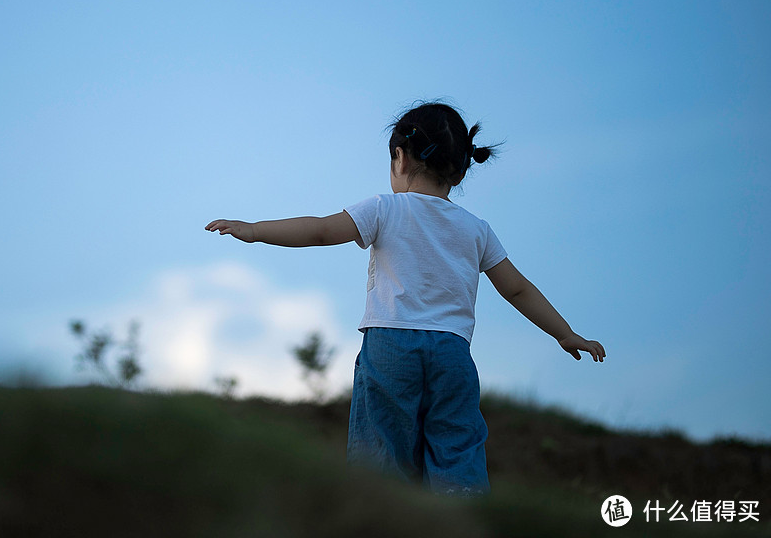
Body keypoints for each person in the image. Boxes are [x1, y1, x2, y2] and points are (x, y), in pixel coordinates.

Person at [205, 101, 605, 496]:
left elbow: (321, 231)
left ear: (400, 157)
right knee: (456, 444)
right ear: (461, 168)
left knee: (383, 447)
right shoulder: (476, 229)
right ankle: (462, 513)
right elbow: (516, 288)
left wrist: (254, 229)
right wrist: (565, 334)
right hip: (451, 353)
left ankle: (383, 513)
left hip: (391, 345)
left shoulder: (385, 208)